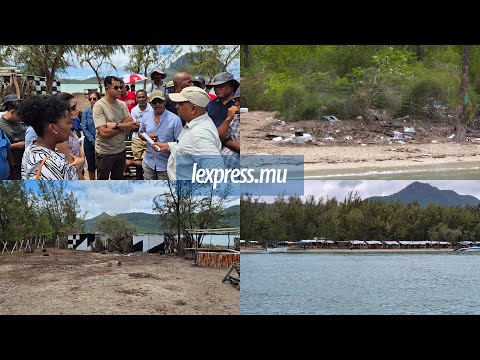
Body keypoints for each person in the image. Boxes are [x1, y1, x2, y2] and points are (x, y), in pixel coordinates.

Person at [152, 87, 223, 180]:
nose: (176, 106)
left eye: (180, 104)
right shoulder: (196, 124)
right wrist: (169, 146)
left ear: (193, 108)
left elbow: (216, 174)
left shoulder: (200, 134)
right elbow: (190, 148)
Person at [19, 96, 79, 180]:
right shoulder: (49, 166)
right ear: (53, 128)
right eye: (68, 122)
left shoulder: (31, 149)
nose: (71, 126)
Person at [93, 76, 138, 180]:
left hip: (121, 151)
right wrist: (122, 124)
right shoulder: (99, 106)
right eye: (116, 87)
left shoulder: (122, 105)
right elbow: (103, 133)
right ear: (107, 89)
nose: (120, 90)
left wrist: (114, 124)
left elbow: (130, 125)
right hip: (105, 152)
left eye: (121, 87)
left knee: (118, 180)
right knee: (102, 180)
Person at [138, 90, 182, 180]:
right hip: (148, 162)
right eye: (154, 102)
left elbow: (180, 143)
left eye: (160, 101)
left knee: (164, 192)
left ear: (165, 101)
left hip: (166, 164)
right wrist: (146, 137)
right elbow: (140, 132)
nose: (157, 104)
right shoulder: (145, 117)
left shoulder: (175, 120)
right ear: (150, 103)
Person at [0, 94, 25, 179]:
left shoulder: (21, 123)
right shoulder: (1, 126)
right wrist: (15, 146)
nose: (22, 118)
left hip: (22, 165)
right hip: (9, 169)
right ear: (13, 112)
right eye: (20, 115)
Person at [129, 89, 152, 179]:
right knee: (138, 163)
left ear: (147, 98)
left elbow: (153, 124)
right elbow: (134, 126)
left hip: (148, 139)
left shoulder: (151, 109)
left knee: (146, 163)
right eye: (139, 97)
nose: (141, 99)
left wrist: (140, 123)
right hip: (136, 139)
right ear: (136, 99)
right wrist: (145, 123)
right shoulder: (134, 110)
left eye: (143, 97)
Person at [218, 86, 240, 169]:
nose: (236, 104)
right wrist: (228, 119)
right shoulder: (234, 118)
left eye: (239, 101)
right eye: (235, 101)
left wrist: (226, 141)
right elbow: (219, 138)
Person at [81, 91, 99, 180]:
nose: (92, 101)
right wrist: (93, 141)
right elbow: (84, 128)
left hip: (101, 142)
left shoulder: (102, 112)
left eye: (94, 99)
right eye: (90, 99)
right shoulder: (85, 112)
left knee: (101, 166)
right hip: (89, 143)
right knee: (91, 166)